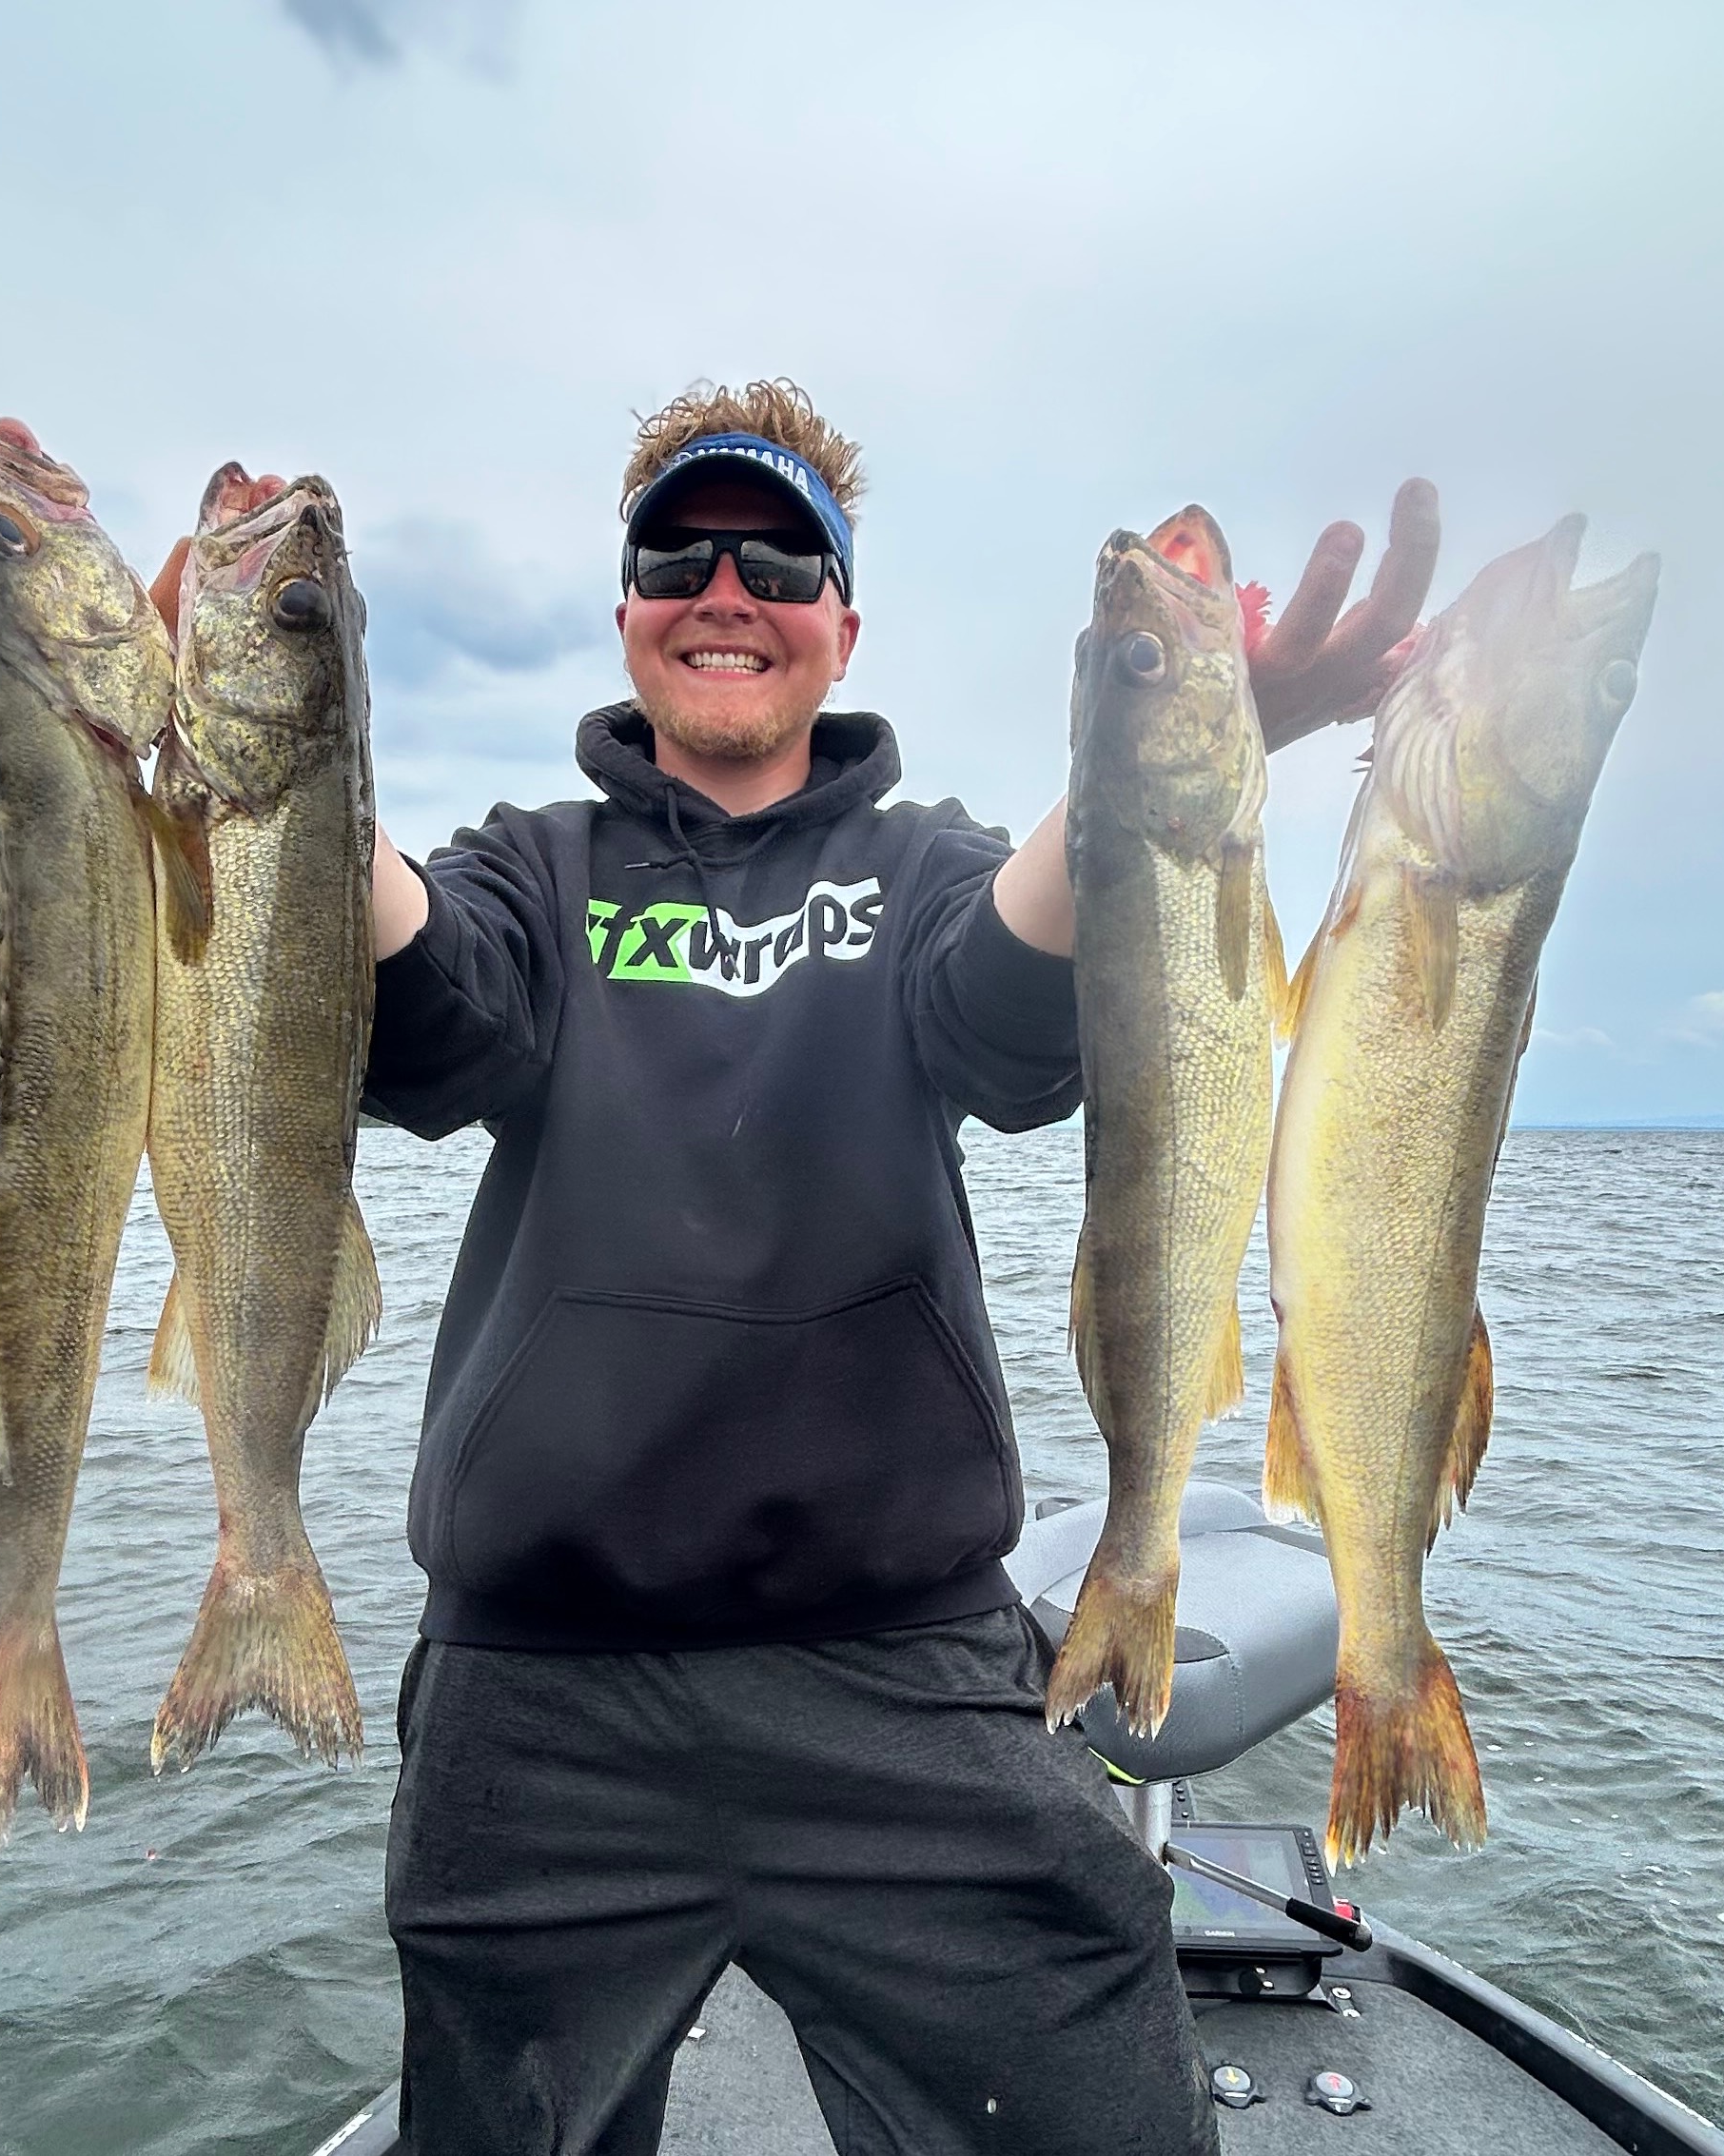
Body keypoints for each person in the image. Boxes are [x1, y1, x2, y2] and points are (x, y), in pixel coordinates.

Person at [361, 380, 1437, 2155]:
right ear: (625, 603)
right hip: (540, 1683)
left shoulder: (922, 861)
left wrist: (1146, 758)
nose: (727, 588)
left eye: (779, 556)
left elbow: (1003, 1010)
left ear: (842, 621)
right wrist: (277, 755)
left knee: (1089, 2091)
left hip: (899, 1663)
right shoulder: (530, 872)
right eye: (678, 553)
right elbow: (428, 1016)